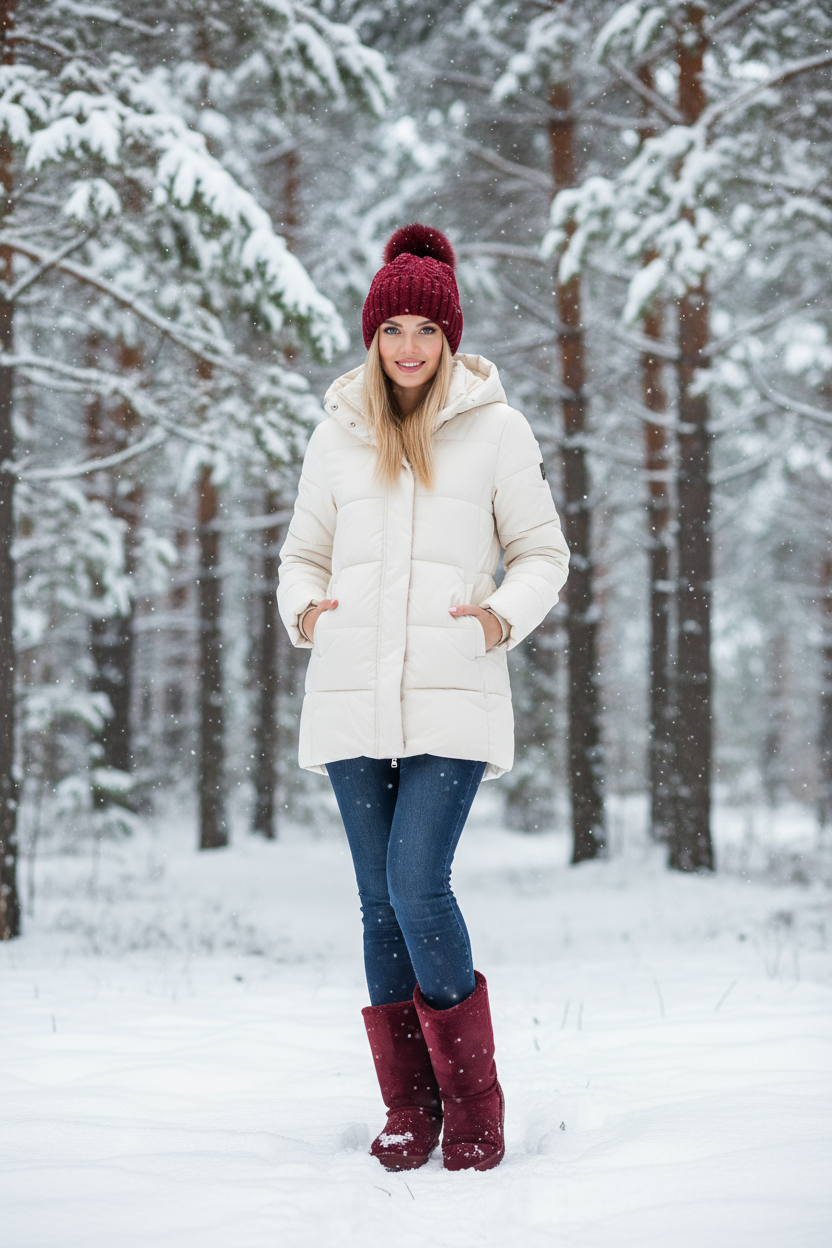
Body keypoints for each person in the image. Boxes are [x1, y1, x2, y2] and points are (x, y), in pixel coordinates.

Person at [277, 224, 569, 1172]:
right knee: (375, 903)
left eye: (424, 328)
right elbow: (300, 556)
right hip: (351, 686)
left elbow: (542, 554)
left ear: (450, 338)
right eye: (391, 327)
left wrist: (495, 620)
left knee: (416, 884)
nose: (408, 345)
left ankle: (473, 1105)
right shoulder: (337, 433)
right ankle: (410, 1108)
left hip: (453, 687)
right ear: (373, 336)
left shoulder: (498, 430)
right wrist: (306, 614)